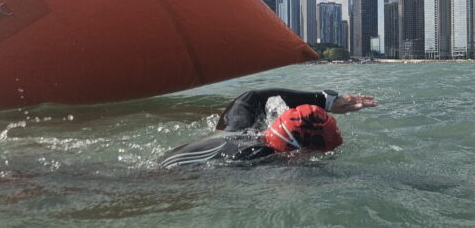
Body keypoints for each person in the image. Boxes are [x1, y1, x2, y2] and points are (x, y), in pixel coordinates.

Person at [160, 88, 377, 168]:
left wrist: (325, 100)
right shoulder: (249, 162)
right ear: (300, 153)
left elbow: (252, 97)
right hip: (154, 176)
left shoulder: (240, 131)